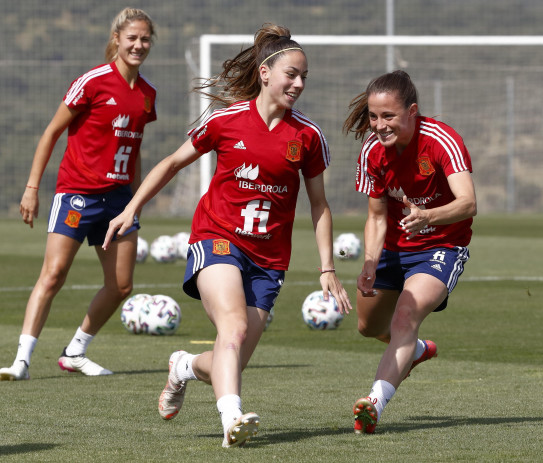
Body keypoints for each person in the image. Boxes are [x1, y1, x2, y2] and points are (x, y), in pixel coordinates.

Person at [103, 23, 352, 448]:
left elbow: (319, 205)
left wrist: (327, 266)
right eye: (291, 73)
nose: (298, 83)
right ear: (265, 73)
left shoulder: (308, 136)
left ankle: (182, 366)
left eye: (304, 76)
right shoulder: (226, 120)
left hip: (270, 259)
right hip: (217, 239)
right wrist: (131, 207)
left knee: (228, 358)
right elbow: (171, 163)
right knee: (233, 327)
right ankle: (232, 419)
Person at [0, 8, 157, 381]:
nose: (138, 45)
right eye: (132, 37)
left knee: (121, 286)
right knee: (53, 275)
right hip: (77, 195)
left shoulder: (148, 94)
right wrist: (32, 189)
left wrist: (134, 202)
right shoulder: (92, 81)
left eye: (145, 38)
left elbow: (133, 152)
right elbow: (51, 133)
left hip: (119, 201)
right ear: (117, 38)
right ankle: (21, 360)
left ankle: (75, 351)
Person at [343, 70, 477, 434]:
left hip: (441, 245)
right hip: (392, 247)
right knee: (369, 326)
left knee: (405, 315)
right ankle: (413, 350)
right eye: (373, 116)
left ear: (412, 111)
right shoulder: (372, 151)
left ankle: (373, 404)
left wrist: (428, 216)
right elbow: (375, 216)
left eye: (388, 116)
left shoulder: (442, 140)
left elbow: (468, 203)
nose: (379, 125)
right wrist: (369, 262)